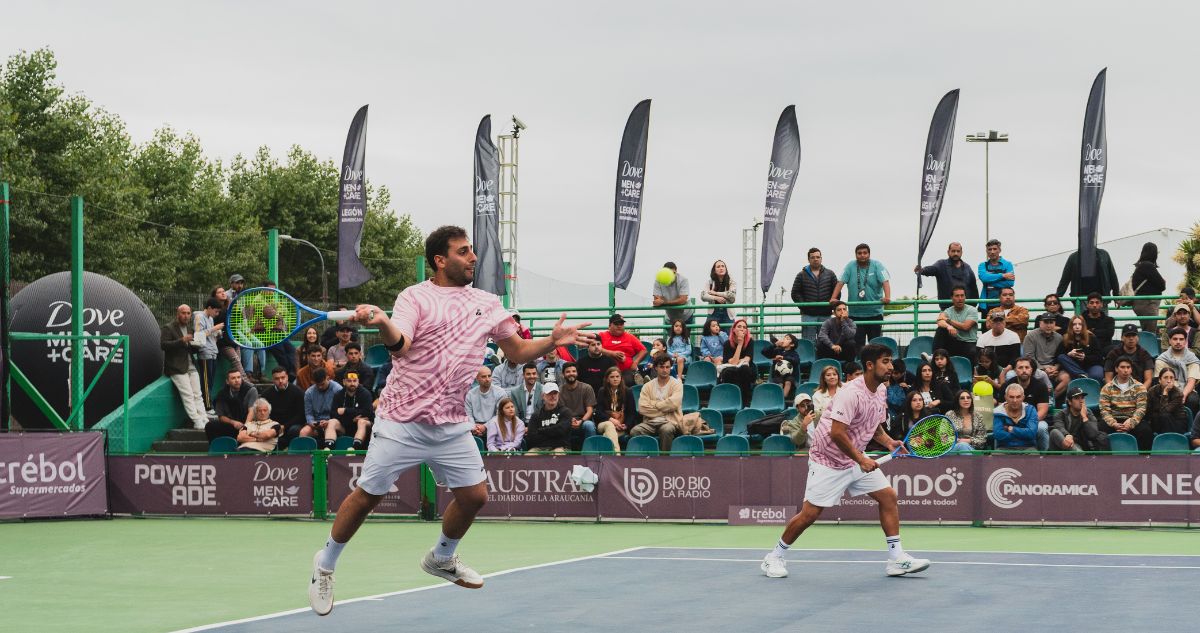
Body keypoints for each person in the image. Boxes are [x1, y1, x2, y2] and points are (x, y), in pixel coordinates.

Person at [309, 225, 593, 616]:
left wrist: (551, 341)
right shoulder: (414, 297)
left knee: (475, 497)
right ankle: (325, 563)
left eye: (472, 250)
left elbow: (517, 351)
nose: (473, 257)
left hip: (450, 422)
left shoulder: (487, 302)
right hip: (402, 420)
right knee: (368, 496)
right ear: (440, 260)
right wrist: (382, 322)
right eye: (463, 251)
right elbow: (401, 344)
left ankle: (442, 557)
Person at [761, 344, 930, 580]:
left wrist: (889, 442)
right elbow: (837, 433)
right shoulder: (850, 393)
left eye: (891, 361)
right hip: (827, 460)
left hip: (853, 458)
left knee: (888, 496)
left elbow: (874, 424)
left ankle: (896, 559)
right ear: (870, 365)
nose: (891, 366)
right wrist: (861, 459)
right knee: (809, 514)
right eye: (885, 361)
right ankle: (774, 557)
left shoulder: (881, 390)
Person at [830, 243, 890, 347]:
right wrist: (833, 298)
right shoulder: (850, 266)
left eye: (865, 253)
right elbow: (840, 282)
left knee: (875, 345)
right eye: (859, 253)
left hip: (875, 313)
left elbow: (885, 281)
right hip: (855, 314)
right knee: (857, 345)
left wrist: (887, 297)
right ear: (856, 255)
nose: (862, 255)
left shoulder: (877, 265)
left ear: (869, 254)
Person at [161, 304, 207, 430]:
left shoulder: (190, 329)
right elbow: (163, 345)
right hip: (176, 367)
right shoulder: (168, 328)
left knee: (198, 394)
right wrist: (182, 340)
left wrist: (198, 345)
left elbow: (190, 348)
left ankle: (204, 418)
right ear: (178, 314)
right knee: (188, 395)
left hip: (191, 365)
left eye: (188, 313)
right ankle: (196, 420)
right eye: (183, 313)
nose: (186, 316)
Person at [632, 353, 684, 451]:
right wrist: (666, 409)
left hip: (670, 421)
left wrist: (654, 404)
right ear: (656, 367)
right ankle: (647, 456)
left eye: (667, 367)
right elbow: (642, 408)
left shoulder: (677, 384)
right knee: (635, 431)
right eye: (662, 367)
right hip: (650, 422)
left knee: (666, 429)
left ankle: (664, 457)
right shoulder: (647, 386)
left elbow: (673, 404)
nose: (665, 370)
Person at [1099, 356, 1151, 450]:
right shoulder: (1107, 388)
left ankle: (1143, 457)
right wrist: (1113, 423)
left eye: (1128, 367)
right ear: (1116, 369)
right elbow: (1104, 410)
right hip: (1114, 419)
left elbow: (1141, 408)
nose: (1126, 370)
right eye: (1122, 367)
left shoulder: (1140, 387)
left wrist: (1131, 422)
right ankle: (1105, 457)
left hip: (1131, 418)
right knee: (1100, 428)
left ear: (1131, 369)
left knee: (1146, 430)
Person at [791, 248, 837, 341]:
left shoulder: (830, 274)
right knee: (808, 341)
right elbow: (795, 293)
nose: (815, 259)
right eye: (812, 257)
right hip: (808, 315)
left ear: (821, 258)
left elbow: (836, 291)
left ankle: (824, 352)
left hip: (826, 314)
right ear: (808, 259)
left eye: (818, 257)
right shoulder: (801, 275)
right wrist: (804, 307)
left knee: (825, 341)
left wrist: (831, 307)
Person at [915, 242, 979, 309]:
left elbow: (974, 289)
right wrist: (922, 270)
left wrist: (973, 306)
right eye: (953, 251)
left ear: (961, 253)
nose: (956, 253)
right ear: (948, 252)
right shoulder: (941, 264)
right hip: (947, 308)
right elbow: (932, 269)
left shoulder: (967, 268)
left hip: (965, 309)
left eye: (958, 251)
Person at [1054, 315, 1105, 396]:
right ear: (1071, 327)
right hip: (1073, 367)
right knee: (1061, 357)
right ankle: (1081, 374)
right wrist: (1069, 354)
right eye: (1074, 324)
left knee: (1097, 374)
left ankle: (1095, 396)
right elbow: (1058, 356)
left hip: (1090, 365)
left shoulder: (1091, 338)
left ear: (1083, 326)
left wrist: (1085, 357)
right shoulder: (1066, 338)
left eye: (1080, 324)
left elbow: (1099, 356)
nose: (1077, 327)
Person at [1049, 387, 1109, 452]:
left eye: (1082, 398)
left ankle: (1079, 454)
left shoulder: (1088, 413)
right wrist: (1067, 435)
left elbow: (1093, 434)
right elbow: (1059, 426)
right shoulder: (1061, 414)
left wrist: (1084, 417)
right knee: (1054, 432)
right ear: (1069, 402)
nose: (1081, 401)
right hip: (1063, 445)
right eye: (1077, 398)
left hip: (1081, 446)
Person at [1156, 327, 1200, 413]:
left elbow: (1191, 381)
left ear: (1185, 341)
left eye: (1181, 339)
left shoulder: (1192, 358)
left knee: (1193, 399)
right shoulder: (1161, 359)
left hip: (1187, 391)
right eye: (1175, 339)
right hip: (1167, 390)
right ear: (1169, 341)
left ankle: (1190, 421)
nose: (1178, 342)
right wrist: (1176, 395)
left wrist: (1183, 396)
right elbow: (1161, 382)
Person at [206, 369, 258, 442]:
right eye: (233, 378)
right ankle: (216, 447)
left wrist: (245, 428)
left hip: (249, 424)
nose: (237, 380)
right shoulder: (222, 394)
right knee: (210, 426)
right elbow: (221, 416)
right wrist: (233, 422)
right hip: (233, 424)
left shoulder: (251, 390)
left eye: (238, 377)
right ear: (227, 381)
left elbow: (251, 411)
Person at [262, 366, 307, 449]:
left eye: (283, 378)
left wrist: (284, 426)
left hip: (292, 425)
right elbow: (264, 414)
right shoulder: (266, 394)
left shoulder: (298, 392)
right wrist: (275, 426)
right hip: (273, 425)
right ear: (273, 380)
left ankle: (292, 450)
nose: (280, 381)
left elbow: (301, 415)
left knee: (294, 430)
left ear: (287, 377)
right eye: (277, 379)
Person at [300, 368, 344, 449]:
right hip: (317, 423)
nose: (320, 387)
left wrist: (328, 421)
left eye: (322, 384)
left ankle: (328, 451)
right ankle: (304, 456)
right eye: (317, 384)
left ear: (328, 378)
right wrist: (312, 422)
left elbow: (341, 412)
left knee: (330, 425)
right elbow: (308, 414)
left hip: (334, 421)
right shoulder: (309, 393)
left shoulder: (338, 389)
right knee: (304, 432)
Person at [595, 366, 636, 453]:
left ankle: (608, 457)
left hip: (620, 427)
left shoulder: (627, 391)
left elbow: (632, 413)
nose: (615, 379)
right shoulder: (602, 391)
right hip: (604, 423)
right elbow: (598, 412)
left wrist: (626, 425)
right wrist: (611, 420)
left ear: (621, 378)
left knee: (607, 436)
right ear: (607, 379)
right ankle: (617, 454)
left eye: (617, 376)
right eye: (612, 377)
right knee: (609, 425)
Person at [598, 314, 647, 386]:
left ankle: (639, 379)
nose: (619, 326)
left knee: (628, 381)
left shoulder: (630, 337)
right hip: (606, 370)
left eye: (621, 324)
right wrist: (611, 353)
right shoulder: (602, 335)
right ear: (609, 326)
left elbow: (643, 350)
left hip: (626, 371)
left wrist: (635, 362)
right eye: (616, 324)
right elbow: (594, 347)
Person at [558, 362, 598, 449]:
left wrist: (581, 421)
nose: (571, 373)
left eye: (573, 371)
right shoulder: (559, 391)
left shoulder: (587, 388)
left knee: (589, 425)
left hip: (584, 420)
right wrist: (570, 420)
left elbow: (590, 410)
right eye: (568, 372)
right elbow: (561, 411)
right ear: (563, 374)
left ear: (577, 373)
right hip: (567, 421)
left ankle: (591, 453)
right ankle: (563, 452)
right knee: (559, 426)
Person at [932, 286, 977, 362]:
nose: (960, 298)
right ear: (952, 298)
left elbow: (966, 327)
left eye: (962, 295)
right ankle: (934, 356)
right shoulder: (948, 310)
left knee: (972, 352)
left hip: (969, 342)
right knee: (941, 330)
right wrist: (948, 326)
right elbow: (940, 321)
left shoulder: (972, 310)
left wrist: (948, 320)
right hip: (955, 342)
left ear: (965, 297)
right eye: (957, 296)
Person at [1129, 242, 1167, 332]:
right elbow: (1162, 285)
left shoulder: (1141, 266)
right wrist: (1163, 281)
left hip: (1142, 303)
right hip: (1148, 304)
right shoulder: (1148, 266)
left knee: (1147, 329)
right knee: (1150, 332)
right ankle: (1147, 342)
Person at [194, 298, 224, 409]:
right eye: (216, 311)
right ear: (209, 308)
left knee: (210, 381)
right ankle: (207, 407)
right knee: (206, 382)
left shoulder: (210, 318)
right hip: (205, 353)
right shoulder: (199, 317)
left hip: (213, 352)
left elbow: (210, 334)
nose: (217, 314)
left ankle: (208, 404)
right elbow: (198, 336)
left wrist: (217, 332)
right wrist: (214, 328)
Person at [524, 383, 572, 454]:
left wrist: (540, 430)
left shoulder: (565, 412)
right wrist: (554, 432)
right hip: (539, 448)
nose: (553, 396)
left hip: (561, 447)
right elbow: (531, 437)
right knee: (529, 456)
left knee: (557, 455)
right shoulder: (536, 415)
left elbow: (561, 431)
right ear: (543, 396)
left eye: (555, 393)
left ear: (558, 395)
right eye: (549, 393)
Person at [719, 319, 757, 406]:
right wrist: (740, 344)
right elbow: (733, 363)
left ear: (746, 331)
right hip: (731, 370)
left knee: (744, 369)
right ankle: (730, 401)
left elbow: (747, 360)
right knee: (728, 372)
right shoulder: (727, 344)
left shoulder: (750, 342)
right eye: (739, 326)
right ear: (733, 329)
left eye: (744, 327)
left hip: (746, 370)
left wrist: (736, 360)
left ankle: (745, 403)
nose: (742, 329)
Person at [993, 383, 1040, 452]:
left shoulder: (1031, 410)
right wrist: (1023, 433)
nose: (1015, 400)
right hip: (1003, 449)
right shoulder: (998, 412)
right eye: (1011, 397)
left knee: (1035, 456)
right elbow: (998, 435)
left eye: (1018, 397)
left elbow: (1031, 433)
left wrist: (1011, 429)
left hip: (1028, 448)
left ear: (1023, 397)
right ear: (1005, 397)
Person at [1004, 357, 1052, 424]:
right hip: (1012, 421)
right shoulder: (1007, 386)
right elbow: (1003, 409)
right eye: (1020, 368)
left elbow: (1042, 412)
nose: (1024, 370)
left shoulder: (1041, 386)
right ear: (1015, 370)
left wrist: (1027, 423)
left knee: (1042, 427)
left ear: (1031, 370)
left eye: (1027, 367)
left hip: (1034, 420)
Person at [1146, 367, 1190, 435]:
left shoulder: (1178, 394)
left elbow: (1164, 411)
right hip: (1158, 421)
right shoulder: (1152, 391)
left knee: (1164, 415)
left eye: (1171, 378)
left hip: (1176, 422)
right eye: (1165, 377)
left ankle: (1168, 439)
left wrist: (1165, 392)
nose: (1169, 381)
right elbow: (1148, 410)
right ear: (1159, 380)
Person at [1023, 314, 1063, 389]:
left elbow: (1061, 356)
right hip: (1036, 368)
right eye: (1046, 322)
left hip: (1054, 369)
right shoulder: (1030, 336)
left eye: (1051, 322)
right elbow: (1029, 357)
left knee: (1066, 377)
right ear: (1040, 323)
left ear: (1055, 324)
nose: (1048, 325)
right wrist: (1043, 369)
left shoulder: (1059, 337)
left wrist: (1056, 368)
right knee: (1039, 375)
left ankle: (1053, 395)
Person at [465, 366, 505, 438]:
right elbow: (468, 415)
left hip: (495, 427)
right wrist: (473, 427)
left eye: (489, 376)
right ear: (477, 378)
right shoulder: (470, 394)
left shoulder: (500, 392)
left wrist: (485, 426)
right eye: (483, 377)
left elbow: (500, 415)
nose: (487, 379)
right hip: (475, 428)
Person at [977, 239, 1015, 316]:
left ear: (999, 250)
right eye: (989, 249)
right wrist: (1002, 275)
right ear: (986, 251)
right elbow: (984, 278)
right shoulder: (982, 265)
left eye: (995, 249)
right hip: (986, 305)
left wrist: (989, 281)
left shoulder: (1008, 264)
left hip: (1003, 305)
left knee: (1001, 323)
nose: (992, 252)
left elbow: (1010, 283)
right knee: (987, 324)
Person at [651, 261, 693, 327]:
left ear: (676, 271)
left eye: (673, 273)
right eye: (668, 273)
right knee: (670, 334)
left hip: (686, 315)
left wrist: (664, 302)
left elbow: (683, 300)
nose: (671, 275)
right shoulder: (658, 280)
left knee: (685, 334)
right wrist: (658, 301)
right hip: (670, 317)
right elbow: (657, 301)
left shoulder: (683, 279)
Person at [763, 333, 801, 399]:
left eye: (787, 338)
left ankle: (783, 398)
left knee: (788, 381)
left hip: (789, 375)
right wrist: (775, 345)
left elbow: (796, 361)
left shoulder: (794, 353)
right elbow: (764, 352)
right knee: (779, 383)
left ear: (792, 344)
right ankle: (779, 397)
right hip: (777, 374)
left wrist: (783, 358)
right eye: (784, 338)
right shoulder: (777, 351)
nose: (784, 339)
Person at [701, 259, 737, 324]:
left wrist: (715, 293)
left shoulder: (731, 282)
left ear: (726, 269)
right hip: (713, 313)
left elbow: (732, 296)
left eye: (723, 266)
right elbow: (703, 296)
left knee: (729, 330)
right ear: (714, 270)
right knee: (709, 330)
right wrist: (716, 298)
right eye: (718, 267)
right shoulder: (710, 282)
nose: (721, 268)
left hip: (728, 314)